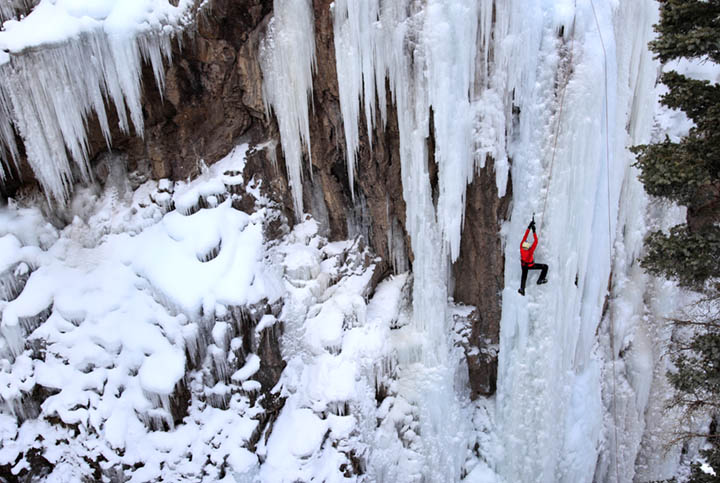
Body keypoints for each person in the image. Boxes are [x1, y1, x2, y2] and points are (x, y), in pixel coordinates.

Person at [518, 218, 548, 296]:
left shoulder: (521, 247)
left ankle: (522, 289)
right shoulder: (530, 251)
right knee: (545, 267)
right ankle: (540, 279)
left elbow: (525, 237)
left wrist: (529, 227)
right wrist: (533, 231)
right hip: (531, 265)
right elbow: (536, 241)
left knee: (524, 276)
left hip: (523, 265)